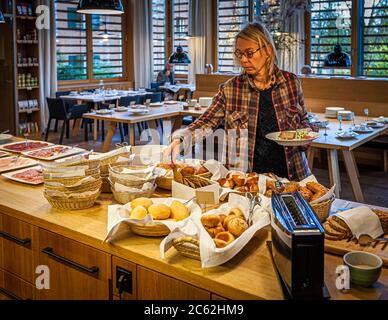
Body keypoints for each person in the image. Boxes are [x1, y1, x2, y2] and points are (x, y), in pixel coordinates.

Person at [163, 21, 316, 181]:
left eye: (249, 53)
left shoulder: (291, 82)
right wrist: (181, 139)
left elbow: (303, 119)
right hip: (246, 179)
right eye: (239, 54)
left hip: (292, 175)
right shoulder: (231, 89)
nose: (243, 60)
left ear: (268, 50)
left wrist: (306, 133)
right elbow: (207, 122)